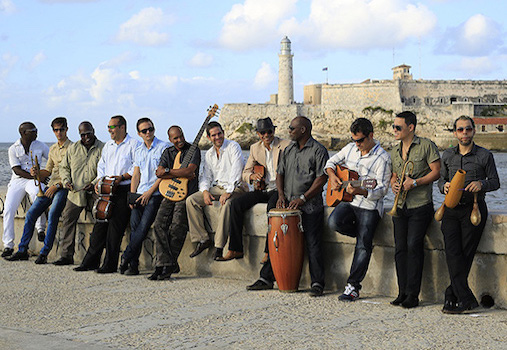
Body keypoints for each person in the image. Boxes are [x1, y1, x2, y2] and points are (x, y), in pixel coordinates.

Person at [247, 116, 329, 297]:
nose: (289, 131)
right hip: (289, 206)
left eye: (292, 128)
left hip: (310, 207)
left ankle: (317, 283)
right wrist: (281, 195)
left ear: (303, 130)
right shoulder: (289, 149)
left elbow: (321, 178)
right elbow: (280, 173)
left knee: (313, 244)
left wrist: (303, 198)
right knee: (278, 242)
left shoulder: (318, 150)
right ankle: (266, 278)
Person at [438, 116, 500, 314]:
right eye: (460, 130)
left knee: (465, 254)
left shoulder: (484, 155)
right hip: (451, 209)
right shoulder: (447, 155)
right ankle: (465, 299)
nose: (464, 133)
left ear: (473, 131)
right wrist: (444, 186)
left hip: (474, 209)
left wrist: (481, 184)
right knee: (452, 253)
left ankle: (452, 296)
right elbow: (440, 181)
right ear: (455, 133)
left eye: (468, 129)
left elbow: (495, 181)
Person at [325, 118, 391, 301]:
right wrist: (333, 177)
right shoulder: (350, 148)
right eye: (354, 140)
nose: (357, 144)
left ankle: (353, 286)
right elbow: (330, 163)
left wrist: (361, 189)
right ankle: (364, 239)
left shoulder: (383, 158)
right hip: (350, 202)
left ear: (371, 136)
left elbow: (382, 190)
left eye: (360, 140)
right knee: (333, 222)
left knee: (362, 247)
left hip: (369, 206)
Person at [74, 115, 140, 273]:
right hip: (106, 189)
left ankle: (109, 265)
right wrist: (100, 181)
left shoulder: (134, 144)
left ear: (122, 127)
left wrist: (122, 178)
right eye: (109, 127)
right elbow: (101, 165)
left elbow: (137, 167)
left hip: (124, 189)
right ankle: (90, 261)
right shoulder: (108, 145)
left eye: (112, 127)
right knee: (100, 226)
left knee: (115, 228)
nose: (109, 130)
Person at [219, 117, 290, 261]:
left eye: (269, 131)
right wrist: (252, 176)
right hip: (262, 189)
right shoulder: (254, 148)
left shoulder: (286, 145)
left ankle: (268, 251)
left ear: (274, 131)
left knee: (272, 208)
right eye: (262, 133)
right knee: (235, 204)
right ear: (258, 134)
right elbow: (245, 173)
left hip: (280, 190)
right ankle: (235, 249)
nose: (266, 135)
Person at [389, 111, 441, 308]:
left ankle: (413, 295)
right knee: (400, 250)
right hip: (400, 206)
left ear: (410, 128)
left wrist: (416, 182)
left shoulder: (426, 145)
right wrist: (394, 184)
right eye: (393, 127)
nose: (394, 130)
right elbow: (394, 174)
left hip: (421, 205)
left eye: (398, 127)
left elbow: (436, 172)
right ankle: (401, 292)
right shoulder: (394, 151)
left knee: (413, 246)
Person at [6, 117, 71, 264]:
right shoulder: (53, 148)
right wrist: (36, 173)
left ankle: (44, 252)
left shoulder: (73, 148)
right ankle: (22, 250)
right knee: (30, 214)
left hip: (63, 187)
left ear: (67, 129)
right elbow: (48, 170)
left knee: (53, 214)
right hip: (50, 186)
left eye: (61, 129)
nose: (59, 133)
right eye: (56, 130)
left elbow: (74, 173)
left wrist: (58, 185)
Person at [186, 121, 246, 260]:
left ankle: (219, 247)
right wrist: (205, 191)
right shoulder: (209, 154)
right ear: (208, 137)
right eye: (214, 135)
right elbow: (205, 176)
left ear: (223, 133)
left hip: (236, 187)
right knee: (191, 200)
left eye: (219, 133)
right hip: (218, 188)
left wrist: (229, 191)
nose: (217, 137)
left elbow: (237, 172)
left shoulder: (233, 146)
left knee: (227, 204)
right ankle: (202, 239)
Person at [148, 125, 201, 281]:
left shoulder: (194, 150)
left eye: (181, 136)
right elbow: (158, 172)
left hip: (186, 195)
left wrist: (168, 172)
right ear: (170, 139)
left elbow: (189, 172)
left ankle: (167, 265)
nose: (179, 140)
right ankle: (163, 264)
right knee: (158, 225)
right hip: (169, 193)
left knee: (177, 227)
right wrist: (170, 172)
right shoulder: (168, 152)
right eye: (175, 138)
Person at [119, 118, 169, 276]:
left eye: (151, 129)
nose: (148, 133)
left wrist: (149, 193)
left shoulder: (163, 147)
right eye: (144, 131)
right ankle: (133, 266)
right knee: (134, 229)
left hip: (154, 194)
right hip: (139, 194)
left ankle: (126, 256)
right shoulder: (138, 150)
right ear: (139, 133)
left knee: (143, 228)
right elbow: (136, 174)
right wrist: (132, 195)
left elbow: (163, 174)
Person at [53, 121, 104, 266]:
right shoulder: (73, 148)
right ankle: (66, 256)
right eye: (83, 134)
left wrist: (94, 183)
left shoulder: (103, 148)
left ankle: (95, 258)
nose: (86, 137)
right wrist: (66, 180)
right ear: (79, 134)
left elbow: (105, 170)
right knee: (68, 219)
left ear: (93, 131)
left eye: (88, 133)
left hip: (95, 191)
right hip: (76, 192)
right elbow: (64, 167)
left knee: (101, 221)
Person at [2, 122, 49, 258]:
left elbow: (52, 160)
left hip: (33, 180)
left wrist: (44, 174)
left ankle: (40, 228)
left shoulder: (41, 145)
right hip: (18, 180)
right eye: (32, 130)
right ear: (23, 133)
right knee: (8, 210)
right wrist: (36, 177)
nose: (36, 132)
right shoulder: (13, 148)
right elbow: (16, 170)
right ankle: (8, 245)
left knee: (37, 194)